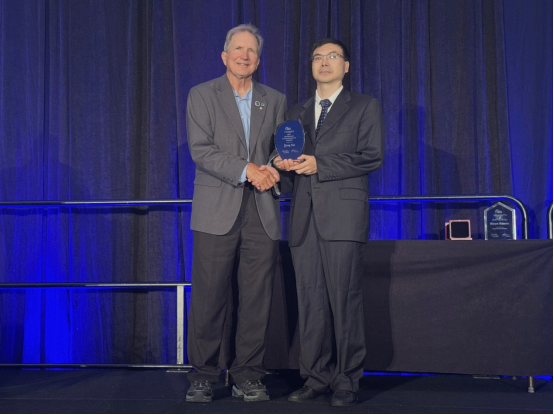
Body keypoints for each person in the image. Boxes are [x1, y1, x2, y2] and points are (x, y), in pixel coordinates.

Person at [273, 38, 384, 407]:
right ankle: (315, 377)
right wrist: (280, 167)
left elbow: (371, 156)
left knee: (344, 301)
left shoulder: (364, 106)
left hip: (343, 217)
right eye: (318, 57)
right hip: (304, 218)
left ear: (346, 66)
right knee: (310, 302)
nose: (324, 62)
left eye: (332, 56)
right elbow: (292, 166)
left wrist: (321, 164)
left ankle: (347, 380)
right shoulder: (296, 112)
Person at [185, 24, 286, 403]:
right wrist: (248, 170)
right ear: (224, 56)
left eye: (251, 51)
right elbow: (201, 150)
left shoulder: (274, 99)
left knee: (257, 298)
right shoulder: (201, 94)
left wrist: (276, 165)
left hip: (262, 209)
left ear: (258, 60)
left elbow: (279, 148)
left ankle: (248, 375)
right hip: (215, 210)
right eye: (238, 49)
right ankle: (203, 375)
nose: (245, 56)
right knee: (209, 296)